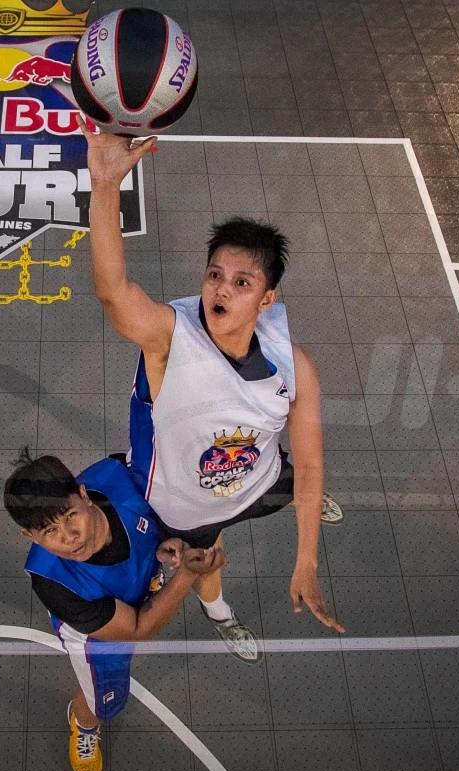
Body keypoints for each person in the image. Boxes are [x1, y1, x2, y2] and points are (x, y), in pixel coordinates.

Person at [82, 121, 346, 662]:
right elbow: (114, 294)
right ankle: (220, 614)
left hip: (261, 477)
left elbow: (312, 464)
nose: (220, 288)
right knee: (208, 561)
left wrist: (306, 562)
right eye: (214, 275)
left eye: (241, 282)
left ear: (267, 299)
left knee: (302, 485)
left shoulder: (294, 367)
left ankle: (304, 506)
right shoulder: (169, 339)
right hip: (190, 507)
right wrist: (105, 184)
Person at [4, 450, 224, 771]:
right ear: (30, 537)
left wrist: (167, 540)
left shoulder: (122, 476)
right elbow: (137, 628)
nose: (68, 537)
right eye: (49, 532)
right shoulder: (52, 581)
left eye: (69, 517)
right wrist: (189, 574)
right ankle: (84, 724)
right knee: (101, 700)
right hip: (98, 639)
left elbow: (162, 516)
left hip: (141, 582)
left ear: (82, 494)